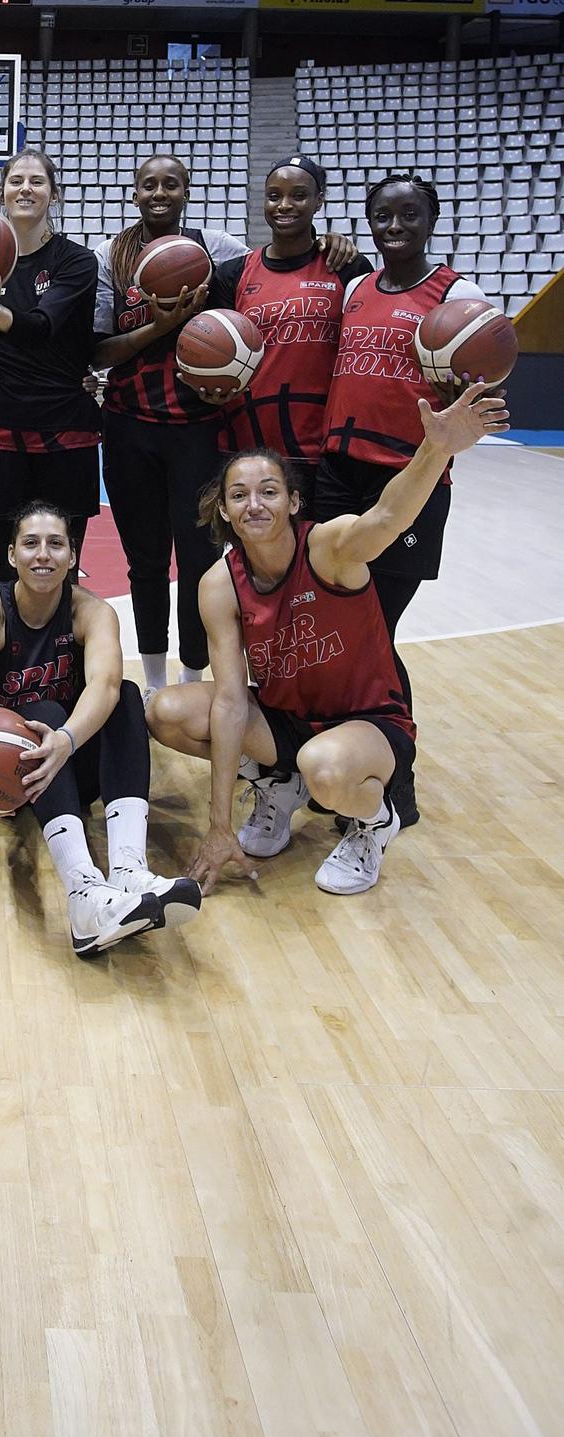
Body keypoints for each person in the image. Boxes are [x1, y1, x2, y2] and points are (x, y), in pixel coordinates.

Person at [147, 384, 507, 897]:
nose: (255, 504)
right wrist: (219, 825)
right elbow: (229, 702)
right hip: (286, 722)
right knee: (167, 711)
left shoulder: (330, 547)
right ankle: (277, 783)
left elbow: (386, 517)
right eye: (239, 494)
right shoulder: (218, 584)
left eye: (269, 490)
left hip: (368, 724)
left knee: (326, 767)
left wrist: (436, 450)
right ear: (223, 511)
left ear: (294, 500)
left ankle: (375, 824)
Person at [314, 171, 488, 825]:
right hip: (339, 473)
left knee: (373, 637)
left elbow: (485, 383)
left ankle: (397, 784)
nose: (394, 226)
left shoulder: (456, 295)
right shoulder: (357, 287)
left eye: (408, 215)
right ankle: (342, 760)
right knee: (339, 632)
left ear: (431, 220)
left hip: (408, 481)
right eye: (382, 215)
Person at [0, 499, 201, 958]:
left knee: (127, 696)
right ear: (11, 555)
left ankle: (129, 868)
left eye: (56, 544)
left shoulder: (92, 612)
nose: (43, 555)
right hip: (16, 773)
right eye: (30, 544)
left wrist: (65, 742)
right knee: (44, 714)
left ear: (73, 557)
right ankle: (83, 893)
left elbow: (106, 685)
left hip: (69, 758)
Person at [92, 155, 247, 701]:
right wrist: (159, 326)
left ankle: (192, 678)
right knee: (147, 559)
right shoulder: (110, 256)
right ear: (134, 193)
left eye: (171, 184)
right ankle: (154, 680)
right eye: (149, 184)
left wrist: (332, 250)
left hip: (198, 426)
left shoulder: (220, 248)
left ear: (186, 191)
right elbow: (98, 351)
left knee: (201, 558)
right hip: (130, 424)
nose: (159, 193)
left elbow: (276, 268)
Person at [0, 150, 100, 583]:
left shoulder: (77, 262)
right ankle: (8, 651)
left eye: (36, 181)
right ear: (2, 193)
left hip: (66, 429)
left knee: (61, 566)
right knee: (5, 567)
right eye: (16, 181)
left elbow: (41, 327)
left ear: (54, 194)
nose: (25, 188)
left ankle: (62, 651)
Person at [206, 156, 372, 507]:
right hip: (248, 442)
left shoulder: (347, 267)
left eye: (298, 195)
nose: (284, 205)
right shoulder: (233, 274)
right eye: (274, 195)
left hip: (323, 447)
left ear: (319, 201)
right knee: (256, 555)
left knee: (319, 554)